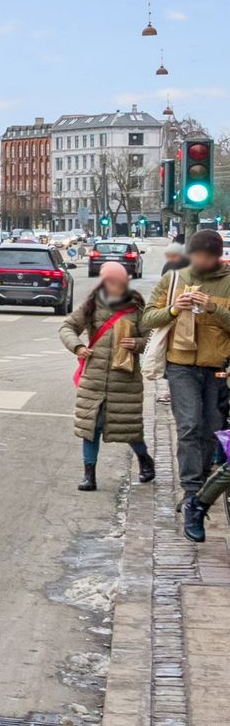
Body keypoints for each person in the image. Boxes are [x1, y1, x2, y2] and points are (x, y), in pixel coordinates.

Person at [147, 229, 230, 540]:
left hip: (216, 367)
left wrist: (213, 308)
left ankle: (204, 482)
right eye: (196, 256)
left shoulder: (228, 280)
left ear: (217, 256)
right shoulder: (174, 278)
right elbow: (147, 319)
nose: (200, 262)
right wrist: (172, 308)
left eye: (207, 257)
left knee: (211, 428)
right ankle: (192, 492)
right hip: (180, 364)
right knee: (189, 426)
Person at [66, 261, 155, 492]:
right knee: (90, 427)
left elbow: (151, 339)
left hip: (124, 379)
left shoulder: (136, 308)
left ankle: (145, 460)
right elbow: (67, 328)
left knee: (127, 426)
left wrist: (136, 343)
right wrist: (77, 347)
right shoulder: (92, 305)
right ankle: (89, 475)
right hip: (93, 377)